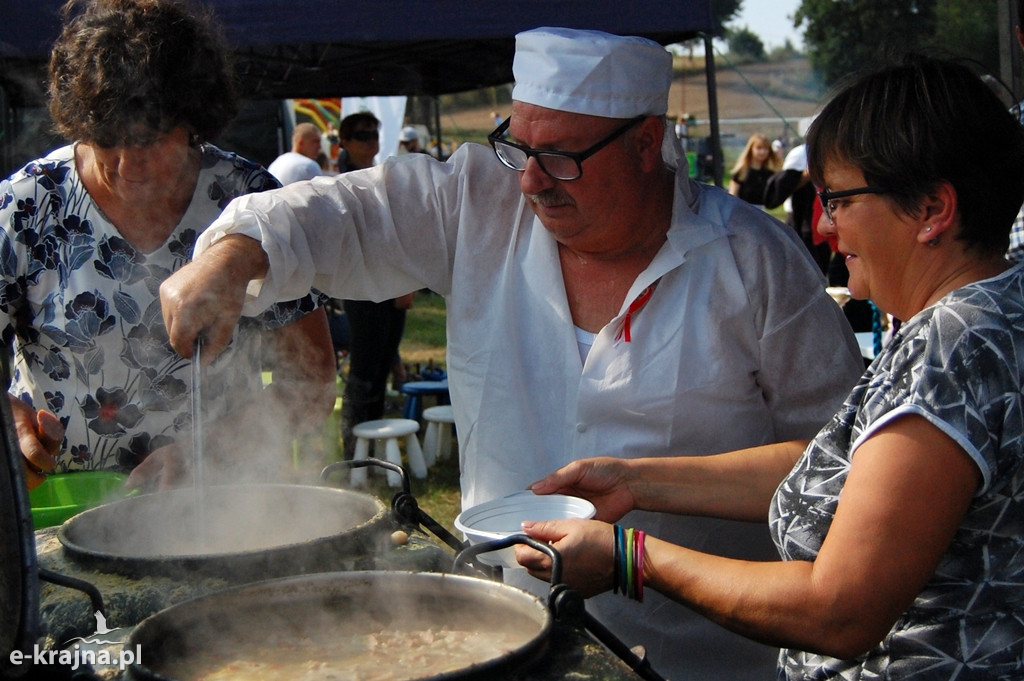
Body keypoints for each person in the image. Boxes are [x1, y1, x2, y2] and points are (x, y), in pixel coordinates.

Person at [158, 27, 864, 681]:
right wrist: (231, 254)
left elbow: (840, 461)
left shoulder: (754, 263)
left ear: (647, 143)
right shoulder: (479, 203)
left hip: (706, 657)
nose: (529, 180)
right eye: (518, 146)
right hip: (507, 637)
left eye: (560, 155)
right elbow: (345, 214)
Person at [515, 54, 1024, 679]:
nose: (823, 226)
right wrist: (635, 481)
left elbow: (840, 611)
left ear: (932, 210)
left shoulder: (951, 345)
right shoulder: (999, 308)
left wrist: (629, 556)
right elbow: (846, 473)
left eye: (836, 199)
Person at [1, 0, 337, 491]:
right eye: (107, 139)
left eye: (152, 140)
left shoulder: (247, 199)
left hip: (221, 501)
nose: (129, 167)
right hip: (63, 498)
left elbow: (311, 378)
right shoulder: (26, 206)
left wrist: (212, 451)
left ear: (193, 122)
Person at [334, 112, 414, 460]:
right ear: (345, 142)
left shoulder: (383, 177)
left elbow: (398, 233)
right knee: (365, 368)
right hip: (360, 287)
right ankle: (353, 451)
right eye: (362, 135)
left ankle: (371, 446)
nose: (370, 141)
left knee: (382, 364)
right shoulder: (339, 182)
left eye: (373, 134)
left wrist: (405, 280)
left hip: (390, 283)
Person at [728, 132, 781, 208]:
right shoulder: (742, 172)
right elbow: (732, 195)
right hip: (743, 211)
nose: (762, 152)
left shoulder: (769, 174)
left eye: (765, 149)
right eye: (759, 148)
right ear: (751, 149)